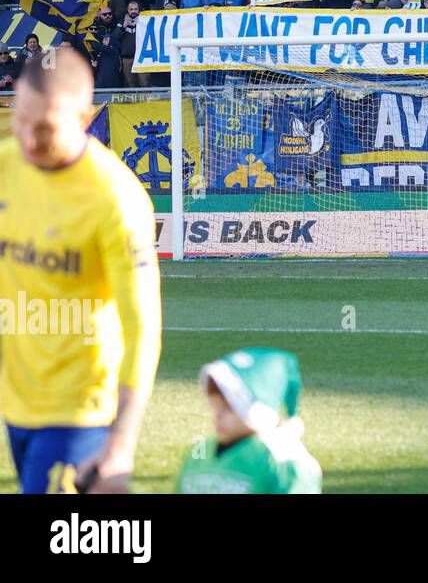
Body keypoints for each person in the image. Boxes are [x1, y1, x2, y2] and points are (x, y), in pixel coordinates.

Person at [0, 47, 161, 493]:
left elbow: (142, 329)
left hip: (81, 412)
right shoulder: (6, 164)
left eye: (46, 126)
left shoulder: (116, 199)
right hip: (15, 406)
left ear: (86, 116)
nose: (30, 137)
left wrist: (121, 446)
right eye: (22, 117)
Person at [177, 348, 323, 493]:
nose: (218, 415)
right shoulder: (199, 453)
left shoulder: (283, 462)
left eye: (230, 407)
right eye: (214, 405)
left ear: (260, 409)